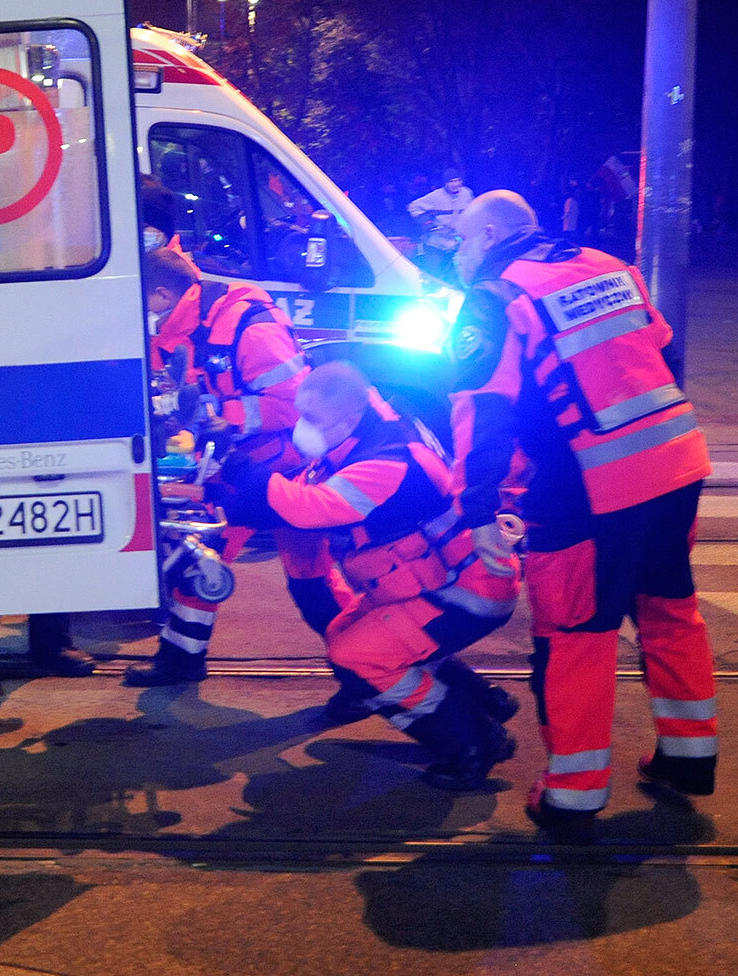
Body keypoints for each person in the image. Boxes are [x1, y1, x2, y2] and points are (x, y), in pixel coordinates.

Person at [447, 190, 717, 841]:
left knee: (574, 633)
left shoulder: (494, 296)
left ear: (489, 234)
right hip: (675, 462)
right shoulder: (607, 265)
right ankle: (688, 757)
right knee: (668, 607)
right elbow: (663, 353)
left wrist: (477, 508)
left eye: (458, 239)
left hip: (586, 488)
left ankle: (572, 797)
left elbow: (481, 410)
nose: (453, 254)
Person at [218, 361, 523, 789]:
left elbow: (310, 507)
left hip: (465, 591)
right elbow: (303, 490)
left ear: (350, 416)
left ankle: (472, 742)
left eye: (312, 419)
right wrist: (237, 499)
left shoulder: (387, 460)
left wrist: (242, 469)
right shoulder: (368, 433)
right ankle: (485, 703)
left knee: (360, 657)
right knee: (345, 635)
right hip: (440, 582)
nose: (302, 427)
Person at [127, 248, 352, 686]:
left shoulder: (250, 328)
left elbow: (297, 405)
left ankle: (369, 669)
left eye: (142, 301)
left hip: (276, 466)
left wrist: (217, 416)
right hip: (247, 463)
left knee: (228, 562)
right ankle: (182, 660)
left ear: (162, 295)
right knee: (289, 576)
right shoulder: (185, 327)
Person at [408, 168, 473, 280]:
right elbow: (413, 207)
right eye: (451, 181)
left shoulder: (467, 193)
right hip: (437, 242)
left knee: (456, 274)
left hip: (457, 243)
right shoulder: (435, 196)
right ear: (445, 183)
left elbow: (473, 210)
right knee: (434, 273)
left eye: (458, 180)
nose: (455, 184)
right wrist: (426, 221)